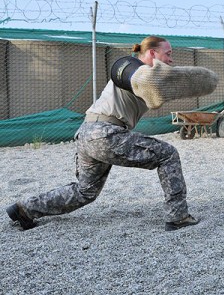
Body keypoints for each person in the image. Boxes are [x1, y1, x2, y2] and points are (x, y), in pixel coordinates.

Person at [6, 36, 199, 231]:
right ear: (151, 53)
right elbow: (124, 72)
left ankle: (25, 209)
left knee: (85, 191)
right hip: (105, 133)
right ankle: (178, 217)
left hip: (87, 133)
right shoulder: (131, 65)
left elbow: (162, 85)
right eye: (168, 53)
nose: (171, 59)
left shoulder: (151, 80)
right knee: (168, 154)